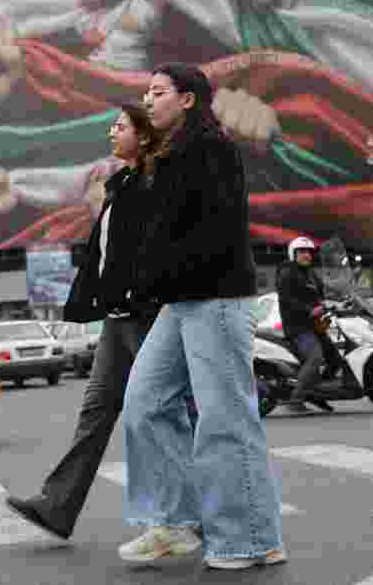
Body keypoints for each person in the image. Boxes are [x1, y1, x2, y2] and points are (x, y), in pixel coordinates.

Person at [118, 63, 286, 570]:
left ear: (188, 99)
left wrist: (155, 275)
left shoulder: (210, 149)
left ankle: (250, 539)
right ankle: (174, 521)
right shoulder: (166, 155)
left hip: (214, 297)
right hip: (181, 300)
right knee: (144, 403)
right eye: (145, 93)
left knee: (224, 418)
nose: (147, 101)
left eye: (158, 92)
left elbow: (214, 234)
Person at [5, 102, 176, 540]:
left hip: (145, 318)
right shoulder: (120, 184)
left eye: (119, 126)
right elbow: (107, 253)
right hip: (117, 323)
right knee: (96, 411)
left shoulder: (156, 183)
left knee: (163, 415)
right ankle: (57, 507)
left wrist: (139, 294)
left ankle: (198, 511)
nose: (111, 133)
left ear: (142, 135)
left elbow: (153, 251)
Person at [276, 236, 359, 413]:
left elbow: (325, 292)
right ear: (293, 254)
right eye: (302, 252)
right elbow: (287, 299)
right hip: (298, 327)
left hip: (316, 325)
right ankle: (295, 399)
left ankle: (316, 393)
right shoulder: (287, 273)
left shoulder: (311, 274)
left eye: (309, 252)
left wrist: (344, 299)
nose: (307, 255)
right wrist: (308, 310)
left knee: (336, 359)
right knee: (315, 358)